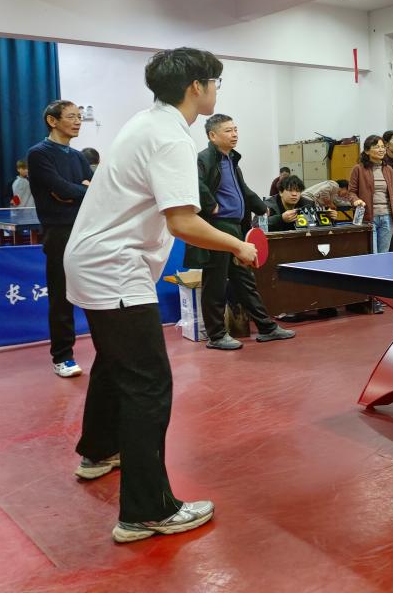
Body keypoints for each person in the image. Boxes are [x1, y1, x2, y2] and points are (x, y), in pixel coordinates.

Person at [64, 48, 259, 543]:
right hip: (115, 269)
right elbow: (183, 222)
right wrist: (238, 244)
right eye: (215, 82)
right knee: (148, 384)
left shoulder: (145, 122)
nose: (216, 90)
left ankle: (98, 451)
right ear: (197, 86)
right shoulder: (171, 137)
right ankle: (147, 511)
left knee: (115, 363)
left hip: (93, 260)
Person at [183, 114, 295, 350]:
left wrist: (261, 206)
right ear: (212, 136)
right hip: (216, 227)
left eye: (235, 129)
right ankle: (216, 336)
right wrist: (211, 204)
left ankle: (266, 327)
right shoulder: (204, 158)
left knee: (244, 280)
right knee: (215, 282)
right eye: (228, 130)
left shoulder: (231, 160)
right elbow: (194, 182)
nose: (234, 134)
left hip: (236, 227)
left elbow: (243, 189)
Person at [27, 100, 94, 378]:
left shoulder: (78, 157)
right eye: (71, 117)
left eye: (79, 117)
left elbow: (94, 190)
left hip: (85, 230)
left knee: (94, 293)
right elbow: (60, 189)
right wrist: (80, 189)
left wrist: (76, 191)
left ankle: (107, 349)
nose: (78, 121)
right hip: (59, 232)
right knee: (61, 297)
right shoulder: (38, 154)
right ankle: (63, 356)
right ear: (52, 121)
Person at [348, 135, 393, 254]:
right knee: (372, 255)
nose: (381, 150)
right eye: (376, 147)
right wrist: (355, 200)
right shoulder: (358, 169)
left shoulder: (389, 170)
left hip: (387, 218)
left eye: (383, 147)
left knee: (384, 255)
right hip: (368, 219)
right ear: (367, 151)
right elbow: (351, 192)